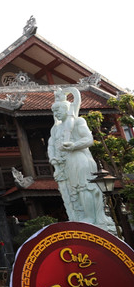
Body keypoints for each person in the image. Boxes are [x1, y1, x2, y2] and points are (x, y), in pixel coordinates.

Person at [47, 87, 114, 233]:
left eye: (58, 110)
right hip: (65, 163)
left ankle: (91, 217)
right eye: (54, 111)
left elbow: (88, 139)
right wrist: (53, 158)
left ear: (67, 109)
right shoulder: (56, 129)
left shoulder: (77, 121)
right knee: (74, 190)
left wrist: (73, 146)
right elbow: (51, 145)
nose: (56, 114)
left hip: (79, 159)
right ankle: (79, 216)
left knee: (85, 188)